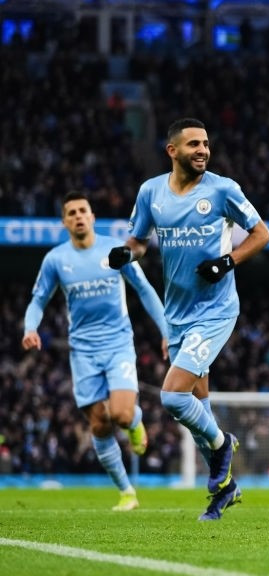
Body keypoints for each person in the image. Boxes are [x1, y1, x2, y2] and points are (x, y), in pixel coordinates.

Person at [108, 118, 269, 521]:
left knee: (173, 396)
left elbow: (261, 234)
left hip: (216, 311)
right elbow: (139, 242)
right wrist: (126, 254)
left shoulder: (223, 189)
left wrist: (226, 262)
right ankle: (226, 490)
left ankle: (223, 444)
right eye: (194, 144)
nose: (202, 150)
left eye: (206, 144)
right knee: (198, 409)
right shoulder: (151, 192)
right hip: (177, 314)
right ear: (172, 151)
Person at [22, 191, 169, 511]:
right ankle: (126, 492)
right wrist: (30, 328)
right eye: (71, 212)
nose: (78, 216)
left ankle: (135, 421)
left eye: (82, 211)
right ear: (64, 222)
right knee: (99, 424)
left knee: (121, 414)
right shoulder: (56, 260)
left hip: (118, 345)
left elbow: (144, 289)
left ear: (92, 217)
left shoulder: (115, 251)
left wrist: (166, 331)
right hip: (83, 352)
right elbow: (38, 300)